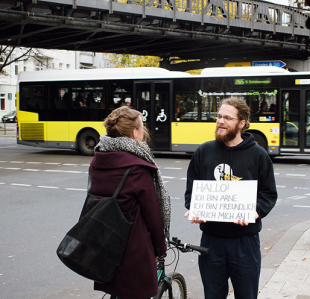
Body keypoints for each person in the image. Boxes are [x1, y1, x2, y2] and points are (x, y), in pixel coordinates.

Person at [184, 98, 277, 299]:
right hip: (211, 241)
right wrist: (195, 208)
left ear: (241, 123)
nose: (220, 121)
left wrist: (255, 211)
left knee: (246, 295)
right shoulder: (204, 151)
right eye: (219, 116)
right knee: (213, 295)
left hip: (244, 242)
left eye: (227, 118)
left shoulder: (258, 155)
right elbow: (192, 191)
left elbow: (268, 194)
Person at [90, 106, 171, 299]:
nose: (144, 131)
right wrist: (160, 247)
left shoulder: (97, 159)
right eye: (142, 126)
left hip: (106, 244)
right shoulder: (137, 167)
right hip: (133, 252)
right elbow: (153, 214)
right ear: (135, 132)